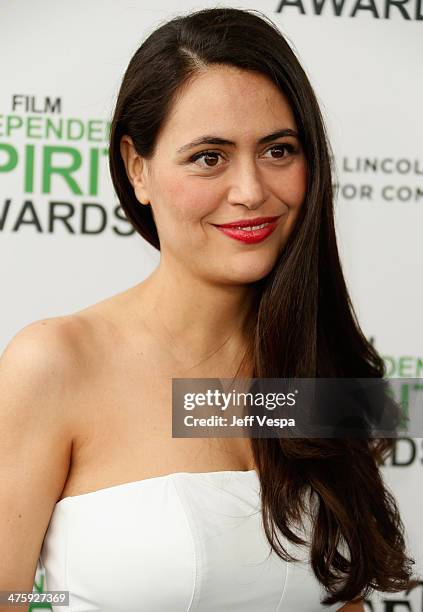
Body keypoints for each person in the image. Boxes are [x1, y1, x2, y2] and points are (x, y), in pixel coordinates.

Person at [0, 6, 419, 612]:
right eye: (209, 157)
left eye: (278, 150)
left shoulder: (319, 370)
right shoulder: (55, 364)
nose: (250, 190)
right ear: (137, 168)